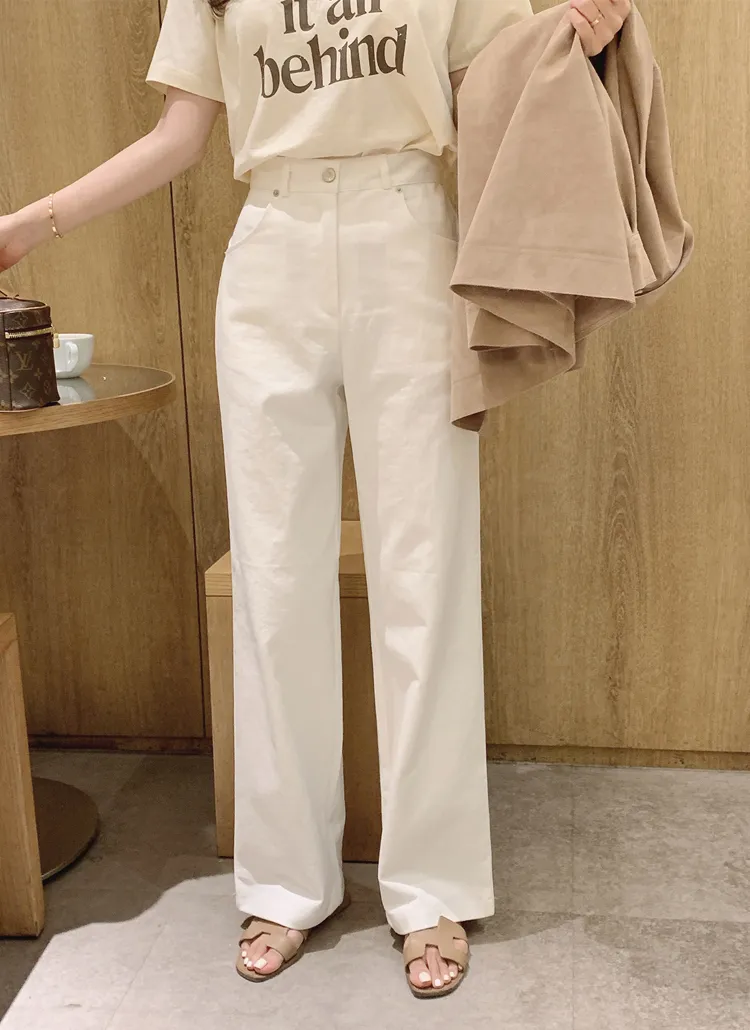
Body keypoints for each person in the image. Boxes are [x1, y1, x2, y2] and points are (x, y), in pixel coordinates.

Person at [0, 0, 630, 998]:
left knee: (426, 571)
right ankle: (287, 882)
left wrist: (575, 46)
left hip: (409, 232)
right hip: (271, 250)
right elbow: (179, 134)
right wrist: (25, 227)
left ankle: (432, 889)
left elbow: (492, 101)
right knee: (275, 580)